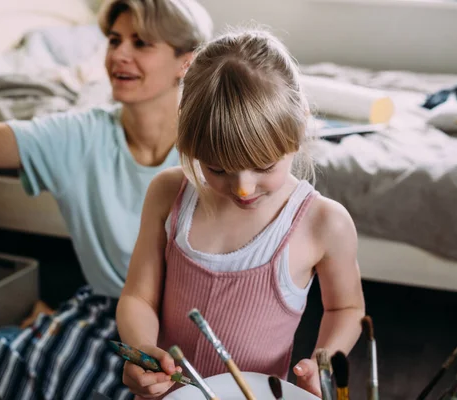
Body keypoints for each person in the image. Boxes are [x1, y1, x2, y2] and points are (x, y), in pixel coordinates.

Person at [0, 1, 213, 399]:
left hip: (189, 325)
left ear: (185, 62)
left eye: (142, 43)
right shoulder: (81, 133)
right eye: (115, 40)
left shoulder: (212, 146)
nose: (120, 54)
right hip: (102, 310)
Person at [116, 28, 366, 399]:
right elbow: (138, 297)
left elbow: (346, 307)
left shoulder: (323, 223)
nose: (243, 188)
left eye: (263, 166)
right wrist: (142, 352)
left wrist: (322, 363)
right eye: (217, 169)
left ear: (299, 128)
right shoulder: (168, 193)